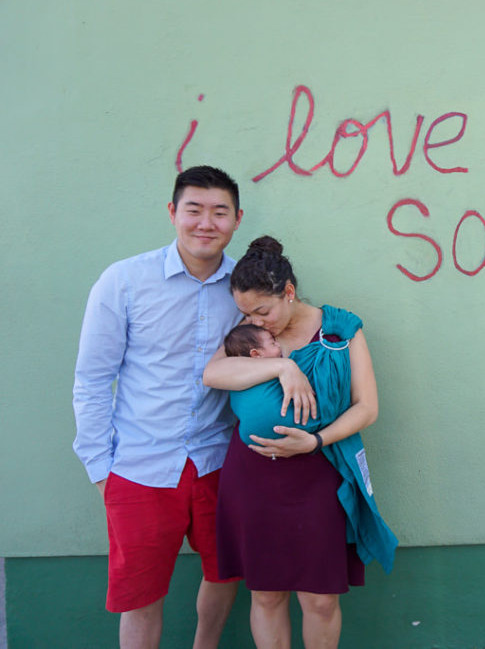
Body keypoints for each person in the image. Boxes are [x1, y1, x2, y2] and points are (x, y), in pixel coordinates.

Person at [72, 165, 244, 649]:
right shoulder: (124, 280)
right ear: (173, 213)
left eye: (219, 212)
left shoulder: (245, 289)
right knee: (140, 595)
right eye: (193, 210)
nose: (205, 223)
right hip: (139, 466)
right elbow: (91, 379)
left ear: (236, 219)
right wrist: (100, 467)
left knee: (226, 571)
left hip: (218, 460)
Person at [203, 235, 397, 648]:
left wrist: (314, 442)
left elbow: (367, 408)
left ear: (288, 293)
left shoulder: (342, 329)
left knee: (321, 598)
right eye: (245, 313)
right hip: (253, 478)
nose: (255, 322)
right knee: (266, 593)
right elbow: (213, 375)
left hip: (318, 475)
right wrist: (281, 368)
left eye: (262, 310)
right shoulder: (250, 333)